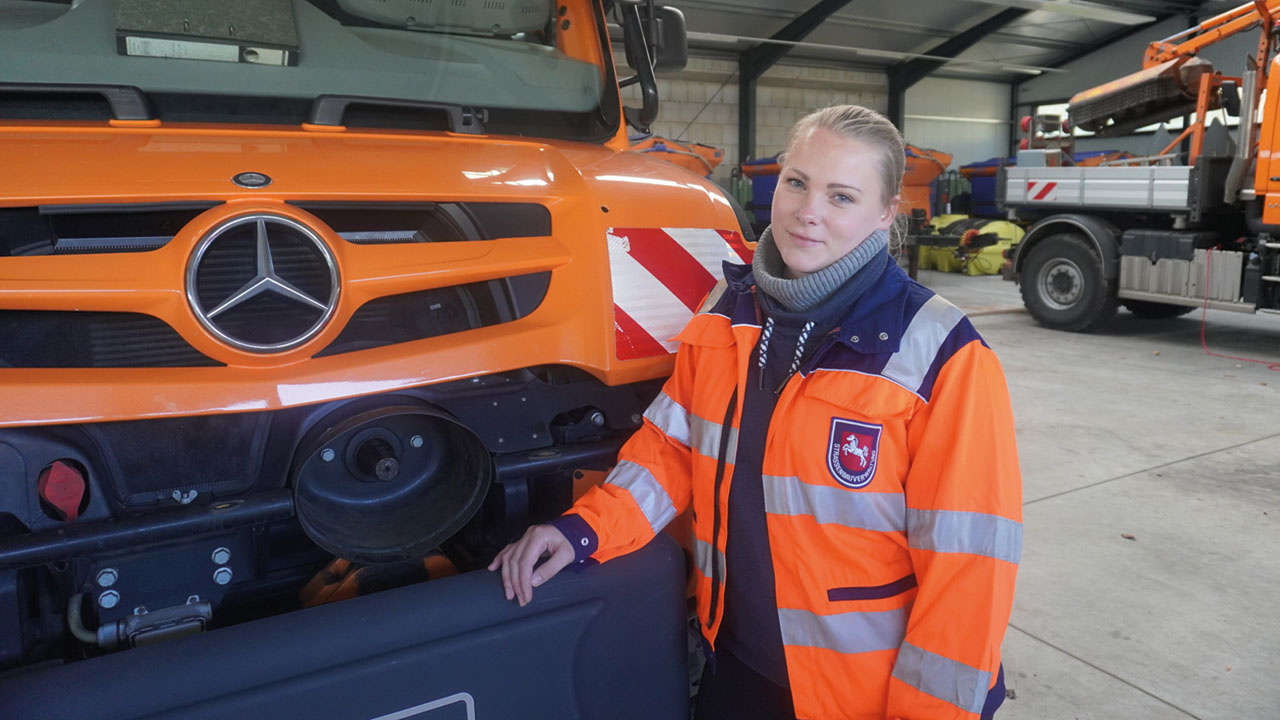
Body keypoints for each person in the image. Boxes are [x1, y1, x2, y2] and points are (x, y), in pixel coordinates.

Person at [489, 105, 1022, 720]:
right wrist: (583, 531)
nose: (807, 212)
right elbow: (671, 450)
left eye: (841, 196)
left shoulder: (940, 354)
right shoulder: (726, 310)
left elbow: (969, 566)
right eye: (797, 182)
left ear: (886, 215)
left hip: (860, 697)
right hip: (734, 664)